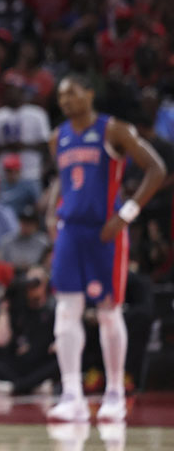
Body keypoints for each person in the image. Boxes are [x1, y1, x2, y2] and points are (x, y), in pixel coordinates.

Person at [45, 74, 166, 422]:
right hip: (71, 231)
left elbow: (156, 168)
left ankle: (114, 392)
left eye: (71, 92)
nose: (65, 99)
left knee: (108, 310)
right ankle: (72, 395)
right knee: (66, 311)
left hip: (106, 231)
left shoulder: (114, 129)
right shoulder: (58, 137)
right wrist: (52, 216)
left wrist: (126, 215)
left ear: (89, 92)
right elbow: (61, 181)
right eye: (61, 94)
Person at [0, 265, 57, 396]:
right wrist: (4, 308)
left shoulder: (52, 308)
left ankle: (15, 386)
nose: (33, 286)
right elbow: (1, 341)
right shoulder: (17, 306)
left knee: (59, 363)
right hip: (19, 362)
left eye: (37, 282)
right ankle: (33, 385)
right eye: (30, 281)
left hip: (41, 361)